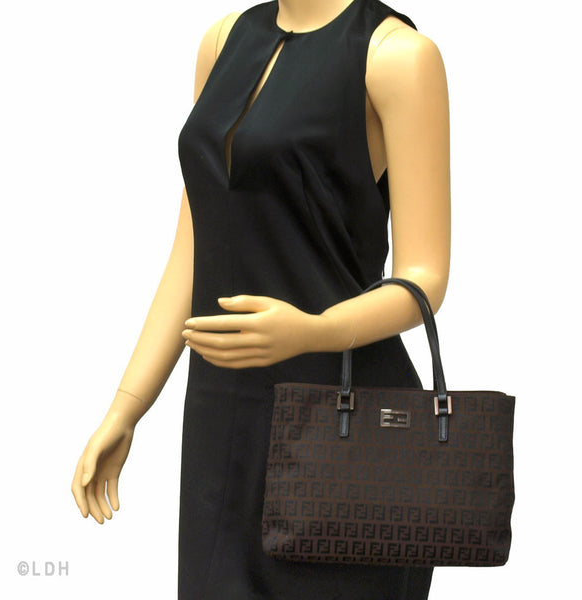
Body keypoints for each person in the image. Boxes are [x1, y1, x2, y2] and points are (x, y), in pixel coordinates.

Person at [71, 0, 450, 598]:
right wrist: (127, 406)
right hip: (222, 418)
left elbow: (425, 280)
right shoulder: (223, 41)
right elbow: (193, 249)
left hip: (346, 424)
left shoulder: (397, 57)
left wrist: (312, 330)